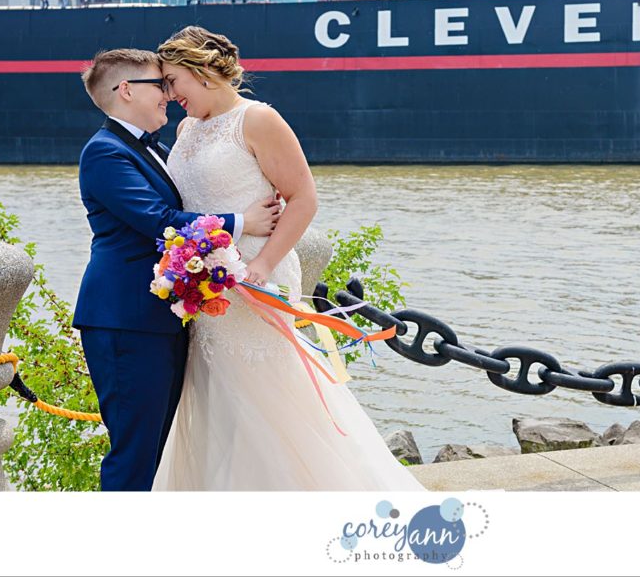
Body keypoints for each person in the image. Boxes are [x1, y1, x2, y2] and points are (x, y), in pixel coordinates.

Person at [152, 26, 424, 491]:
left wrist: (260, 265)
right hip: (208, 287)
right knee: (219, 398)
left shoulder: (257, 120)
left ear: (200, 71)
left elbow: (303, 198)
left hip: (259, 276)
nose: (168, 93)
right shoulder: (186, 128)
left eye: (173, 80)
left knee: (270, 398)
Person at [73, 48, 281, 491]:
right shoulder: (105, 153)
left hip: (160, 319)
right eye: (158, 84)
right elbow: (158, 219)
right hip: (124, 321)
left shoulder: (153, 147)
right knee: (134, 452)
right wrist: (242, 222)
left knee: (159, 447)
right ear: (126, 90)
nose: (168, 93)